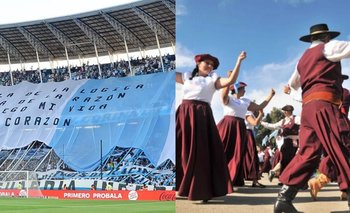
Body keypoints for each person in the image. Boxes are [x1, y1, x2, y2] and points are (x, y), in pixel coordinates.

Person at [275, 23, 350, 213]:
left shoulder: (301, 60)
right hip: (325, 106)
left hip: (308, 109)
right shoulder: (328, 47)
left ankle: (284, 198)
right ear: (326, 37)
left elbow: (293, 83)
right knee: (344, 144)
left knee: (308, 153)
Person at [176, 51, 246, 203]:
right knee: (180, 150)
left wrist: (238, 61)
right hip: (184, 112)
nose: (209, 66)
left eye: (212, 65)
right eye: (207, 63)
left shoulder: (213, 80)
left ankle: (202, 190)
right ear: (198, 63)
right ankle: (181, 186)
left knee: (201, 152)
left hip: (201, 115)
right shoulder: (187, 76)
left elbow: (231, 80)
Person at [217, 79, 275, 186]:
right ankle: (215, 177)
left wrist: (270, 96)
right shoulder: (228, 99)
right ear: (237, 89)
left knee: (237, 154)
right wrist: (230, 80)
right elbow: (223, 94)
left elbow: (260, 107)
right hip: (227, 125)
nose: (245, 91)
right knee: (221, 151)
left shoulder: (246, 101)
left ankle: (231, 179)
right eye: (243, 89)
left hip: (240, 127)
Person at [308, 74, 350, 201]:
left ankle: (342, 190)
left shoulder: (327, 90)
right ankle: (319, 182)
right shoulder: (344, 92)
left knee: (338, 156)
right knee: (342, 156)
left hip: (327, 126)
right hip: (340, 125)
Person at [260, 104, 300, 184]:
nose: (284, 112)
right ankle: (284, 178)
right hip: (286, 143)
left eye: (286, 111)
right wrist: (261, 122)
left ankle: (278, 174)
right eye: (284, 111)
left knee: (291, 160)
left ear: (289, 111)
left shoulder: (297, 119)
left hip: (295, 141)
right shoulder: (283, 121)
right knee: (287, 160)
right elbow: (273, 126)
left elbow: (304, 126)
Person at [243, 110, 266, 187]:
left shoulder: (248, 113)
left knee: (248, 156)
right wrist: (260, 114)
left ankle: (253, 180)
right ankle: (254, 180)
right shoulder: (248, 113)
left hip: (247, 133)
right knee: (251, 156)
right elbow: (255, 123)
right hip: (247, 134)